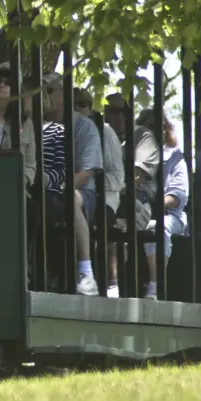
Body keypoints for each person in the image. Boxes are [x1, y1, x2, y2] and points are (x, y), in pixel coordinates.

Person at [41, 72, 104, 296]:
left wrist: (57, 185)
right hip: (44, 191)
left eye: (49, 91)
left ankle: (86, 273)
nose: (43, 96)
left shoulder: (84, 127)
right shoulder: (32, 124)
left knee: (71, 197)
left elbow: (85, 174)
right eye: (39, 91)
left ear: (64, 94)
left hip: (77, 192)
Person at [73, 88, 124, 297]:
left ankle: (97, 279)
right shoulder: (62, 129)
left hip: (104, 200)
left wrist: (88, 179)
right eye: (72, 104)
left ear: (90, 109)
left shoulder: (105, 132)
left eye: (81, 104)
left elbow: (117, 177)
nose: (76, 109)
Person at [136, 110, 189, 300]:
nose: (155, 131)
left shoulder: (175, 156)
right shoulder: (135, 153)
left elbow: (178, 195)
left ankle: (154, 285)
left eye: (161, 127)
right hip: (137, 210)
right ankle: (114, 283)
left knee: (157, 227)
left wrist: (154, 207)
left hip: (169, 215)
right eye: (149, 127)